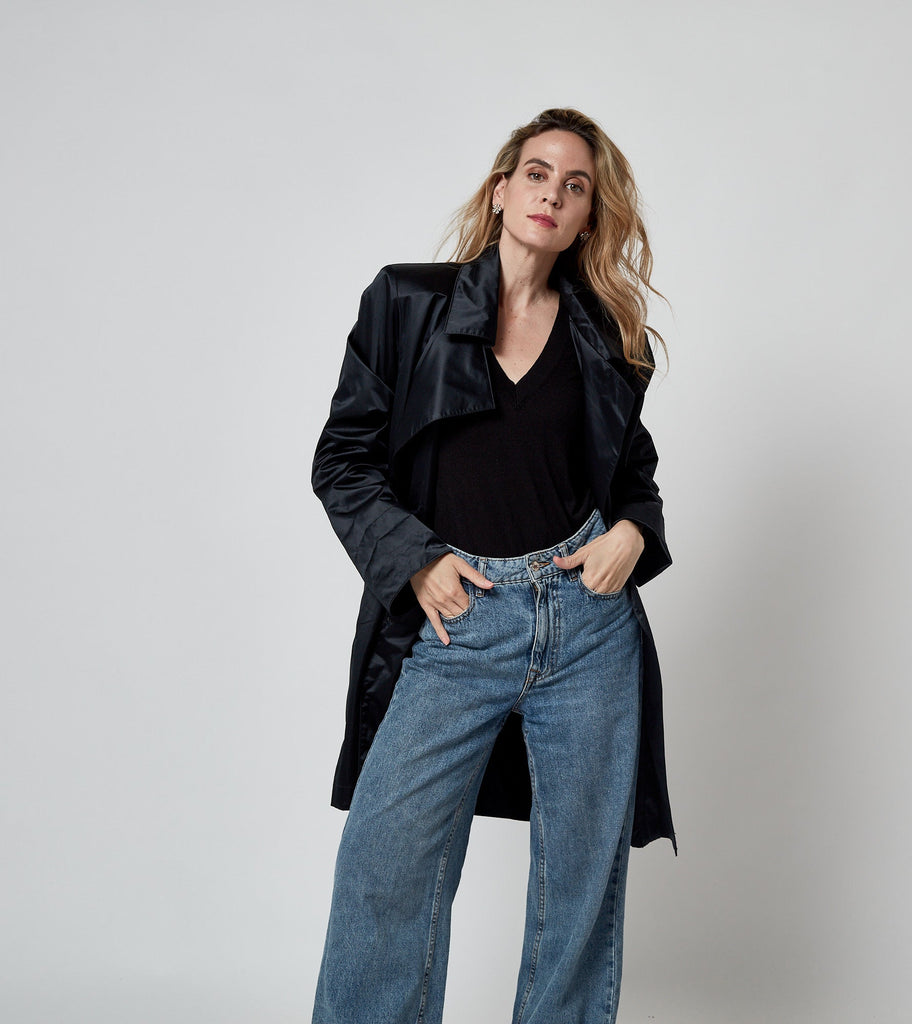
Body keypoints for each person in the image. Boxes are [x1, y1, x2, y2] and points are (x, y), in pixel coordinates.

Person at [310, 107, 674, 1024]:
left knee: (579, 891)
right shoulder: (408, 303)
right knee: (386, 870)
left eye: (576, 186)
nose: (554, 193)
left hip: (586, 629)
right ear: (503, 189)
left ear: (586, 219)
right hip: (457, 621)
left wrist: (635, 532)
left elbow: (633, 477)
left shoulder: (604, 338)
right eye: (538, 173)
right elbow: (342, 459)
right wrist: (415, 561)